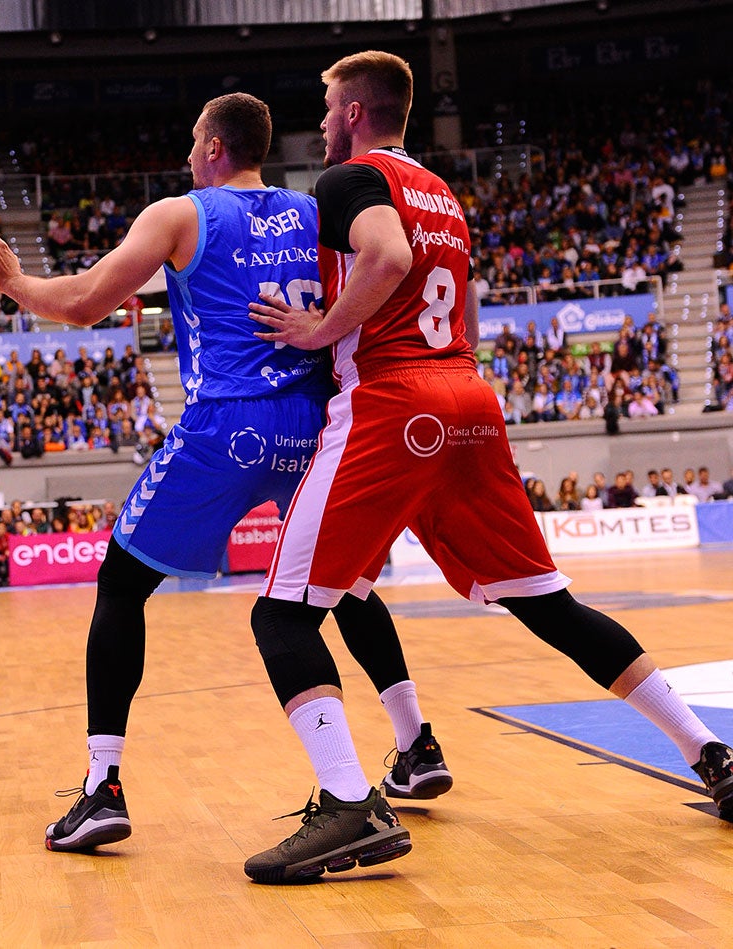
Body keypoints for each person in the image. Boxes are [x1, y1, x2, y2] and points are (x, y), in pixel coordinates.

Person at [246, 49, 732, 880]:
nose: (322, 122)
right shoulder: (443, 192)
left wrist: (321, 329)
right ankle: (712, 753)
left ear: (356, 113)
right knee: (548, 604)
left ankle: (350, 805)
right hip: (469, 398)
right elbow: (426, 275)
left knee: (282, 615)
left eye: (329, 108)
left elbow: (387, 257)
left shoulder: (349, 181)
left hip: (394, 403)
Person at [0, 92, 419, 869]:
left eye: (190, 144)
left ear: (211, 147)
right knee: (340, 591)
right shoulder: (317, 210)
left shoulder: (183, 212)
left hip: (228, 428)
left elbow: (82, 303)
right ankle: (414, 741)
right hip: (317, 421)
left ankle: (102, 786)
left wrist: (13, 281)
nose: (186, 156)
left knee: (120, 585)